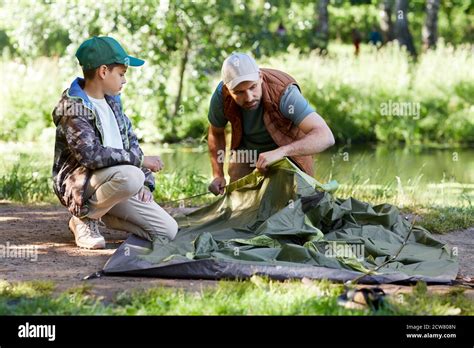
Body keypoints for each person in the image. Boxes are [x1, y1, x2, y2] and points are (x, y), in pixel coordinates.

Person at [51, 36, 178, 249]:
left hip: (118, 182)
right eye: (121, 74)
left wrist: (145, 182)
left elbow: (131, 142)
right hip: (83, 186)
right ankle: (83, 219)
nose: (124, 80)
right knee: (132, 175)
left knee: (168, 231)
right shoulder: (74, 107)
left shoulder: (113, 102)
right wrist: (141, 162)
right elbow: (91, 156)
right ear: (103, 72)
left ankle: (103, 213)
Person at [207, 53, 335, 195]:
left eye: (252, 87)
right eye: (239, 92)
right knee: (238, 204)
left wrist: (281, 152)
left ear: (260, 77)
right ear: (227, 89)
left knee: (294, 206)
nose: (249, 98)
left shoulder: (284, 92)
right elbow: (216, 132)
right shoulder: (221, 97)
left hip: (288, 153)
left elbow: (326, 136)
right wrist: (218, 175)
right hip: (247, 153)